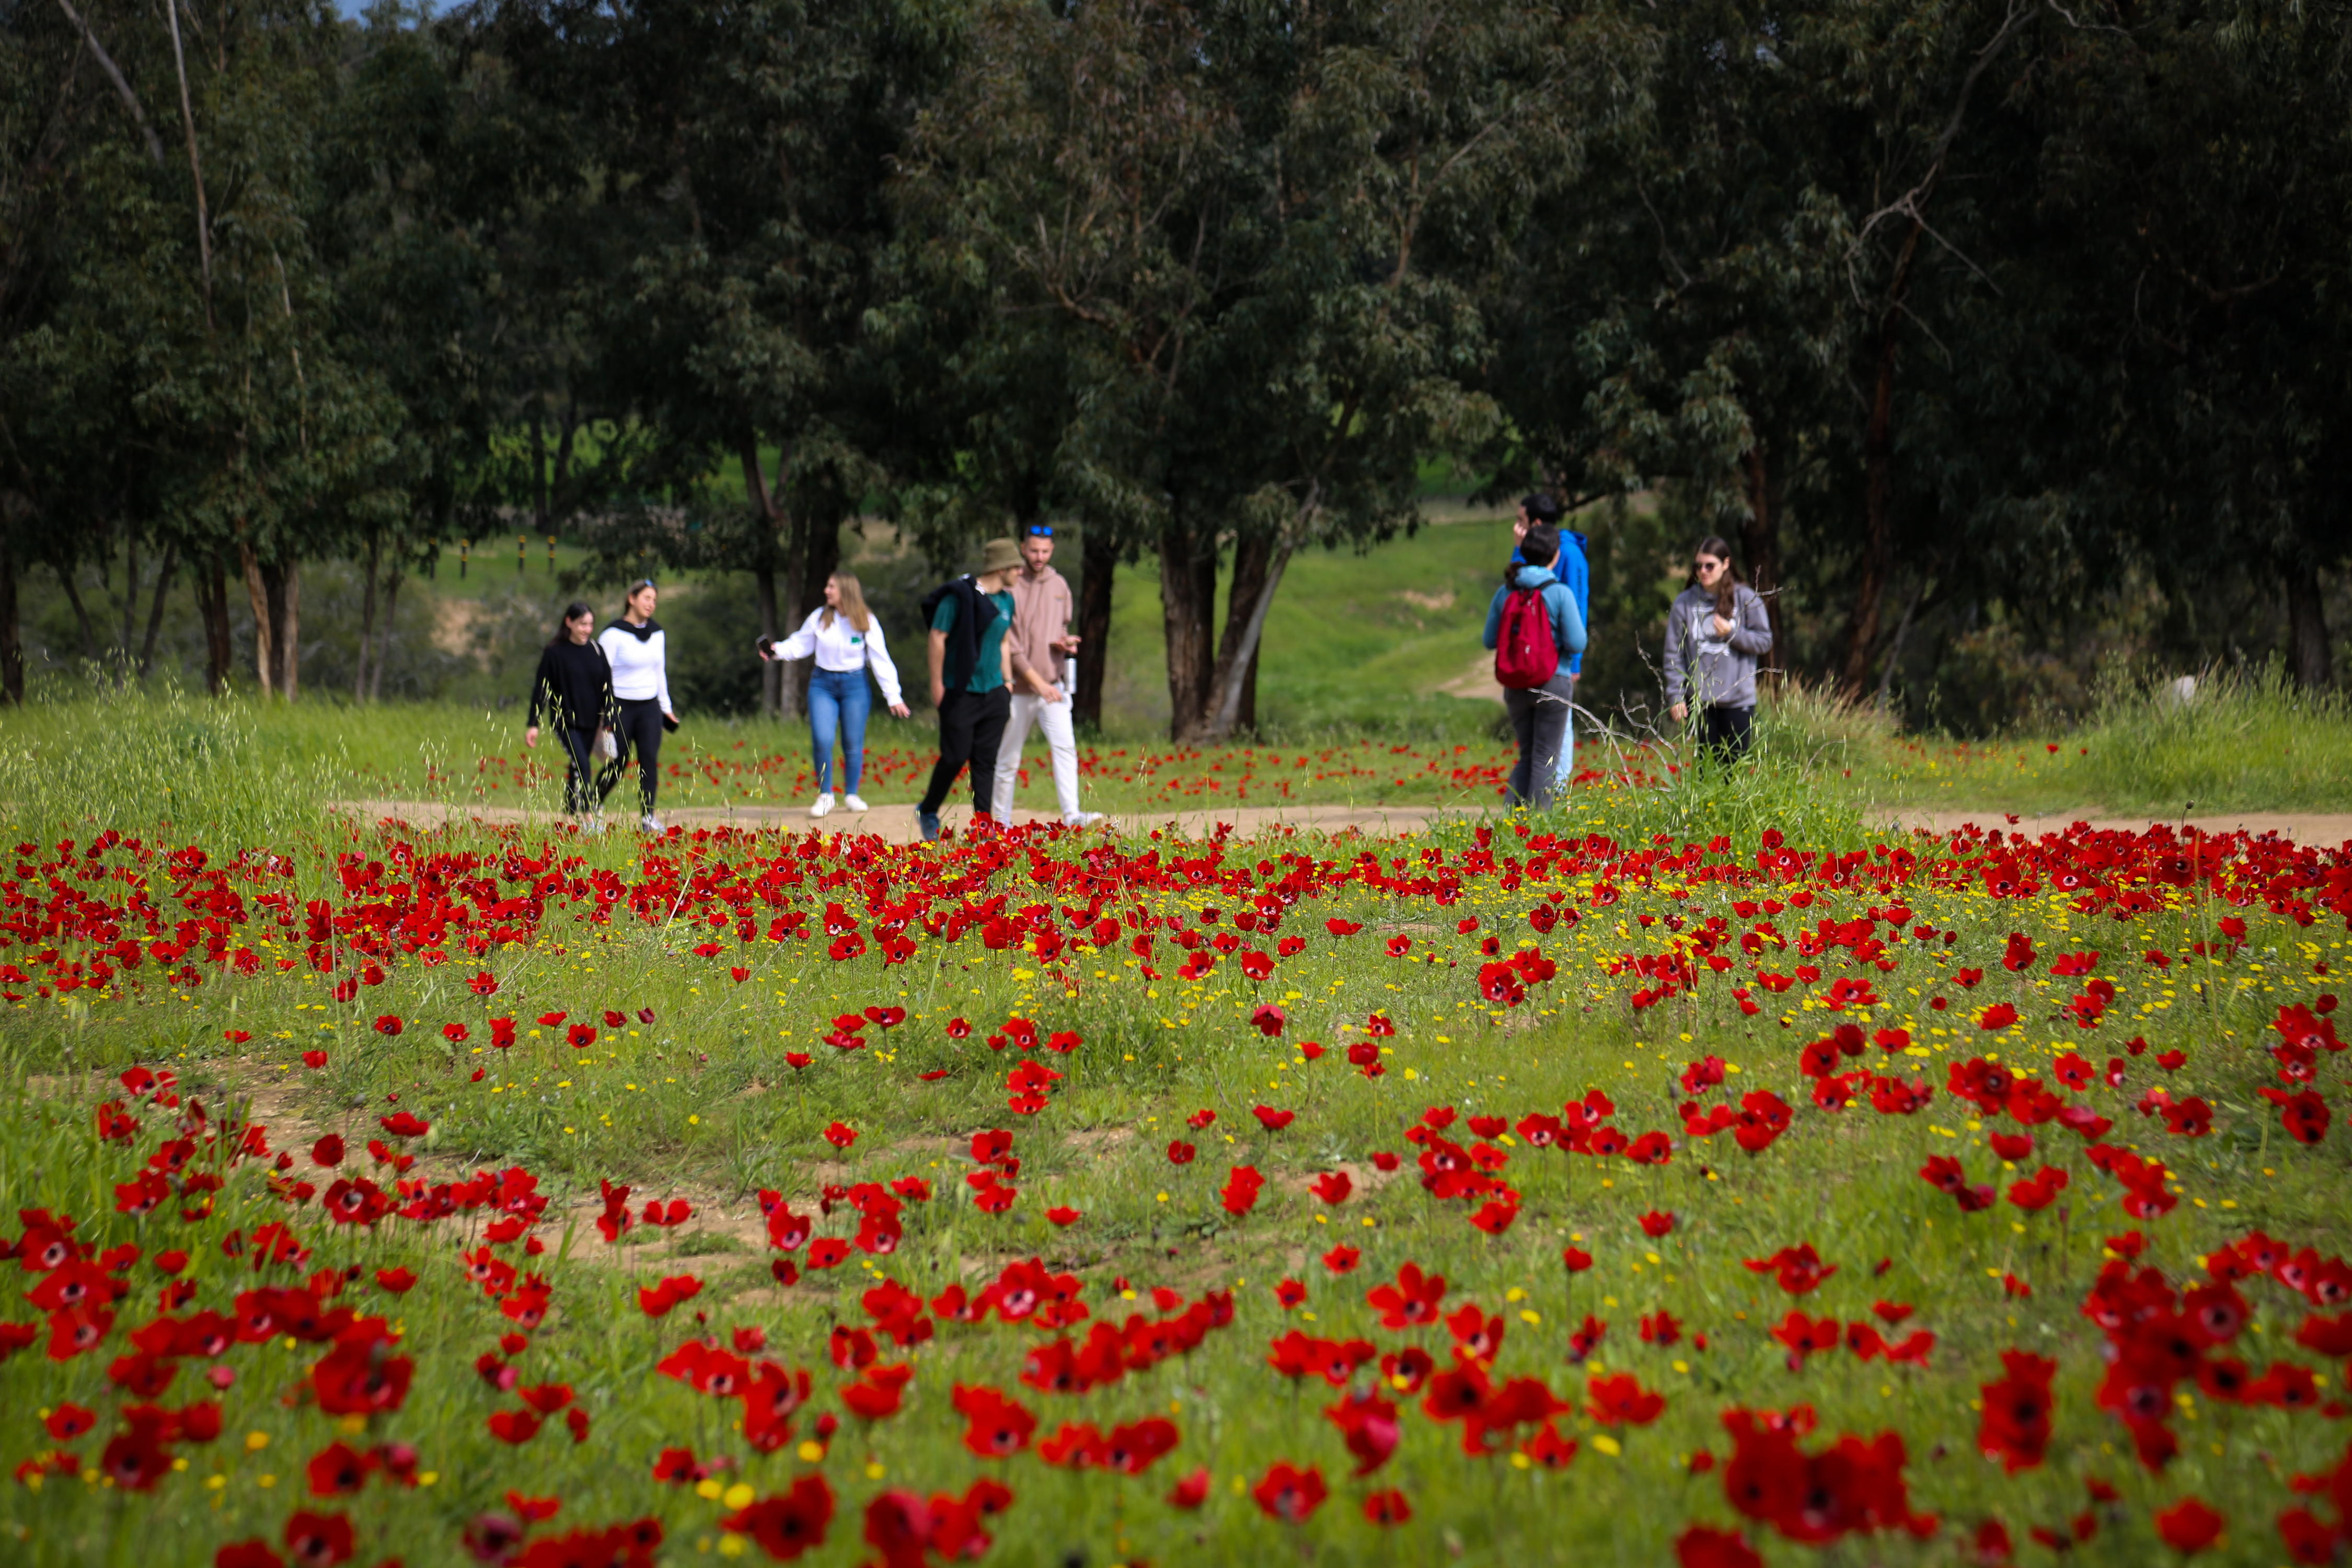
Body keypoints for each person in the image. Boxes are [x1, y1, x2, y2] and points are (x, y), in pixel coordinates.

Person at [759, 572, 910, 818]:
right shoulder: (819, 617)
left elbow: (880, 658)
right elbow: (800, 644)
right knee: (823, 738)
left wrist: (894, 695)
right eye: (827, 586)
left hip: (855, 685)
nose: (827, 591)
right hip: (823, 685)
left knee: (852, 742)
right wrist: (776, 651)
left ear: (846, 591)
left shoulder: (866, 621)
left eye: (832, 587)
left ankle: (851, 794)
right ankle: (826, 795)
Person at [990, 524, 1105, 829]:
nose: (1039, 557)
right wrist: (1038, 684)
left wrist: (1065, 643)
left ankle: (1073, 816)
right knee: (1008, 758)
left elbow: (1061, 627)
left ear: (1051, 550)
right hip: (1020, 690)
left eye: (1044, 551)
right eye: (1033, 550)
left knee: (1065, 748)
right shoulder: (1011, 586)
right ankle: (999, 822)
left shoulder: (1060, 586)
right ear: (1023, 549)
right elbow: (1010, 647)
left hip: (1054, 687)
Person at [914, 538, 1021, 843]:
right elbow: (937, 637)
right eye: (1015, 567)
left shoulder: (1007, 601)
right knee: (955, 755)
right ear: (1001, 568)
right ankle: (929, 809)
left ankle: (984, 828)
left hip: (996, 692)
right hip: (961, 691)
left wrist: (1008, 682)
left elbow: (1003, 641)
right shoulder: (958, 597)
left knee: (986, 761)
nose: (1019, 573)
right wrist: (937, 684)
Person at [1484, 521, 1587, 810]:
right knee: (1547, 757)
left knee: (1528, 756)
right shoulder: (1559, 592)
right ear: (1555, 556)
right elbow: (1578, 643)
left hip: (1515, 685)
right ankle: (1539, 831)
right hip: (1553, 682)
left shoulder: (1505, 592)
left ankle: (1511, 824)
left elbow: (1489, 639)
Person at [1662, 535, 1773, 760]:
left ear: (1726, 564)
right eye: (1698, 566)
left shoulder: (1746, 598)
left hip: (1738, 702)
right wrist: (1675, 695)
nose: (1703, 571)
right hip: (1700, 702)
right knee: (1704, 774)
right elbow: (1673, 654)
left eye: (1710, 566)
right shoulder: (1684, 602)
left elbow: (1764, 641)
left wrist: (1732, 633)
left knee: (1732, 772)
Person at [523, 602, 615, 830]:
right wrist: (534, 724)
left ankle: (567, 820)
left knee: (576, 768)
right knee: (583, 765)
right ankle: (589, 819)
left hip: (592, 721)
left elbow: (608, 687)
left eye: (590, 625)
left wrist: (609, 721)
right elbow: (541, 689)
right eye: (582, 624)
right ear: (569, 623)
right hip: (565, 722)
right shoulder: (555, 653)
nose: (587, 629)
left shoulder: (596, 650)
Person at [596, 578, 677, 834]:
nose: (651, 604)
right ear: (632, 598)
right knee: (618, 761)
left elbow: (659, 671)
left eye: (654, 600)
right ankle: (592, 808)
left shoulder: (657, 633)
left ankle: (648, 818)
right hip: (619, 706)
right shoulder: (613, 634)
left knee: (649, 760)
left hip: (649, 707)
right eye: (646, 598)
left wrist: (667, 708)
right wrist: (601, 713)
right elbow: (599, 675)